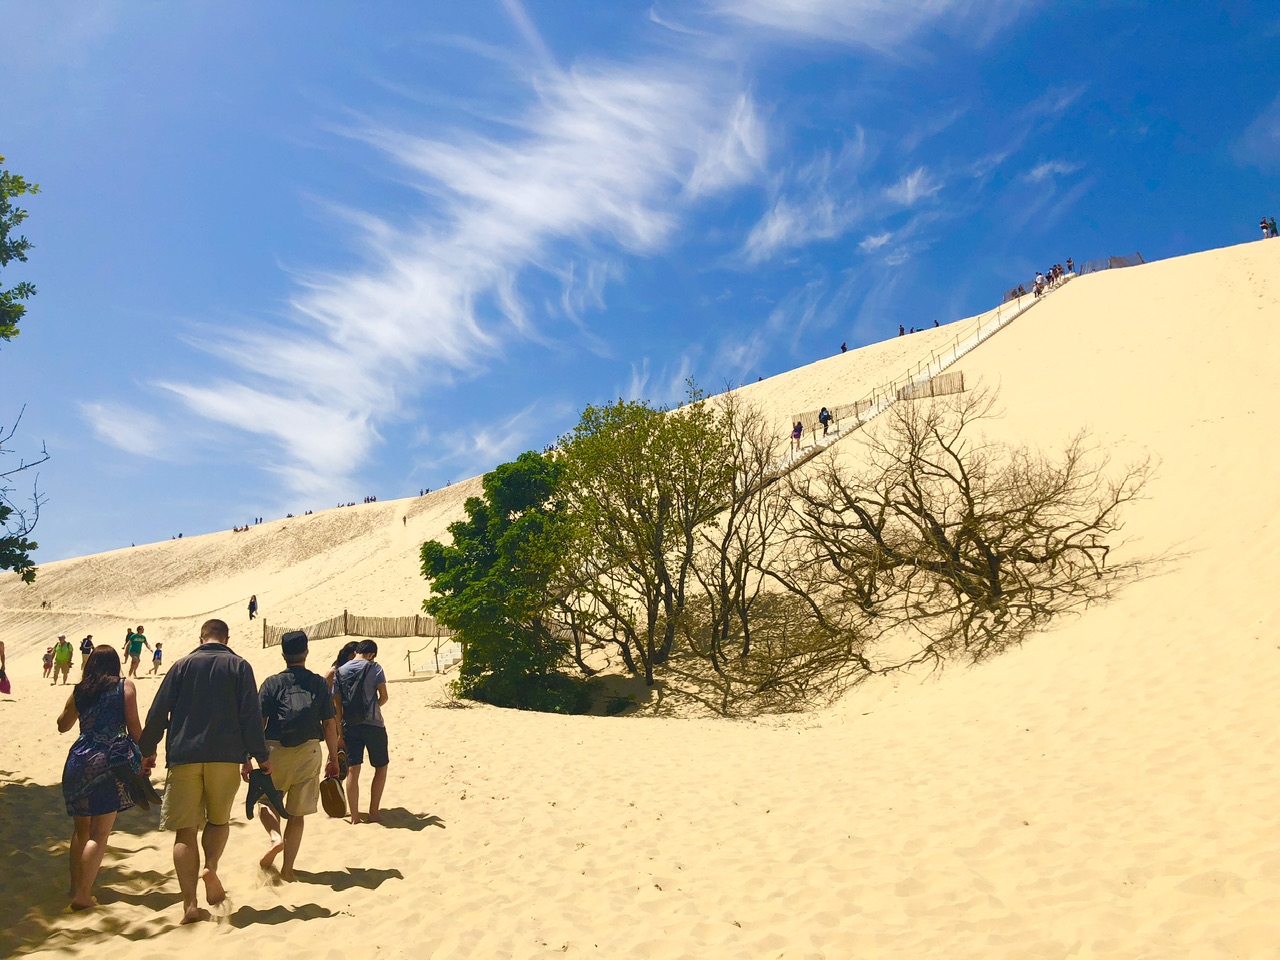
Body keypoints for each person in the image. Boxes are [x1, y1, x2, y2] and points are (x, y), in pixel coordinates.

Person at [138, 618, 271, 925]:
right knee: (218, 820)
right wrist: (261, 755)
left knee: (185, 831)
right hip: (226, 757)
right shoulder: (240, 667)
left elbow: (158, 711)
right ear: (227, 637)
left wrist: (147, 750)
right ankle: (210, 865)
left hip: (184, 755)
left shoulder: (182, 666)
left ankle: (189, 905)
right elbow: (251, 715)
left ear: (202, 637)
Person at [57, 645, 144, 911]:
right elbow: (135, 728)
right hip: (108, 761)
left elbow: (63, 725)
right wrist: (143, 757)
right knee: (100, 831)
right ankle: (83, 895)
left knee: (81, 829)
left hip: (78, 759)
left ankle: (76, 885)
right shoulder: (125, 687)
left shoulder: (81, 689)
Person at [256, 631, 339, 878]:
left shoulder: (271, 683)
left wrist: (252, 755)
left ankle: (274, 837)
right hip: (310, 749)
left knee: (265, 801)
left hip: (275, 749)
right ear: (306, 653)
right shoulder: (318, 683)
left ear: (283, 654)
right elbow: (329, 724)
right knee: (297, 813)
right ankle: (288, 870)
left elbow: (258, 722)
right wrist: (334, 758)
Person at [335, 640, 389, 825]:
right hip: (374, 724)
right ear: (371, 654)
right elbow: (384, 697)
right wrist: (372, 707)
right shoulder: (375, 668)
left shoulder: (340, 671)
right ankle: (374, 812)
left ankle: (355, 817)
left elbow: (338, 705)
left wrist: (340, 732)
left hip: (350, 725)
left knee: (353, 770)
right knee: (380, 767)